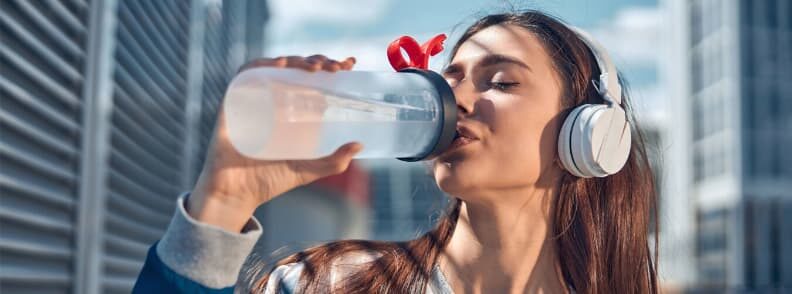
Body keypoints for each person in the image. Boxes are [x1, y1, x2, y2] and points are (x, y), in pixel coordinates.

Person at [133, 9, 658, 294]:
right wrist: (222, 203)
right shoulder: (325, 286)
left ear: (589, 134)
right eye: (448, 79)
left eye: (499, 81)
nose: (457, 100)